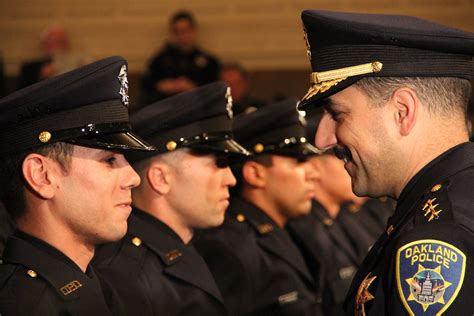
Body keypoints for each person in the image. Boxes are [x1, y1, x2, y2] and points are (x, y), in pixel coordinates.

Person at [298, 10, 474, 315]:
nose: (323, 140)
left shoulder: (437, 240)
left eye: (337, 114)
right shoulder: (451, 202)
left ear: (402, 112)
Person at [0, 56, 154, 315]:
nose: (134, 178)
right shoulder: (28, 305)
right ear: (42, 175)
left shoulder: (90, 281)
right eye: (109, 160)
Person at [92, 82, 249, 315]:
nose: (231, 179)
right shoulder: (127, 277)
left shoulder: (199, 248)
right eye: (218, 164)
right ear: (161, 178)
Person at [194, 98, 323, 315]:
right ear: (255, 174)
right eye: (298, 161)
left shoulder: (291, 230)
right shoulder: (228, 247)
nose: (313, 174)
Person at [141, 10, 220, 104]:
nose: (182, 35)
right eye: (177, 31)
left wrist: (193, 87)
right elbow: (147, 84)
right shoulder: (160, 61)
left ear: (194, 31)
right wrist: (164, 85)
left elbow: (215, 88)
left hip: (197, 107)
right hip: (167, 107)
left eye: (185, 30)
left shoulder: (208, 62)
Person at [17, 25, 87, 89]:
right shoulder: (31, 67)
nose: (60, 45)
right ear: (44, 44)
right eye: (55, 41)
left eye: (62, 41)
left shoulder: (76, 61)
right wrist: (41, 75)